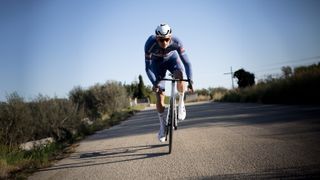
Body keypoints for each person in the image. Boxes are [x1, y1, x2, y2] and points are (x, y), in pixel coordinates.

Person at [144, 23, 193, 142]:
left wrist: (190, 79)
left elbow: (187, 63)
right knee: (159, 95)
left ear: (170, 38)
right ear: (157, 38)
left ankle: (181, 103)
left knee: (180, 75)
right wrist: (154, 83)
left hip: (172, 60)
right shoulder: (149, 44)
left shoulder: (177, 42)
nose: (164, 43)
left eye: (167, 40)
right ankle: (162, 126)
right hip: (157, 64)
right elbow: (148, 67)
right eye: (161, 40)